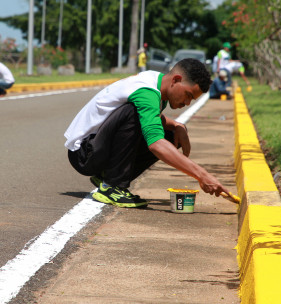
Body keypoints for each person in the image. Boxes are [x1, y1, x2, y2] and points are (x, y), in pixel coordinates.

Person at [64, 58, 231, 208]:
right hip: (84, 153)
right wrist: (202, 175)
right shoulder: (147, 92)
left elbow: (152, 117)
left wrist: (177, 126)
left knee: (169, 137)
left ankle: (106, 177)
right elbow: (156, 144)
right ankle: (112, 186)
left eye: (191, 100)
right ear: (176, 80)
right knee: (141, 121)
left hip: (98, 147)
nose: (187, 103)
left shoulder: (156, 83)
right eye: (187, 95)